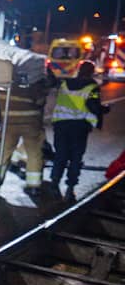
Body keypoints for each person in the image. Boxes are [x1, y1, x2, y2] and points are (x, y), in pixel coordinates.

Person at [0, 67, 49, 200]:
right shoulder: (31, 87)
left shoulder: (4, 88)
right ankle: (33, 186)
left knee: (3, 153)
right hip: (30, 125)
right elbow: (40, 101)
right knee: (34, 154)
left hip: (9, 125)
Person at [50, 60, 106, 202]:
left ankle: (54, 184)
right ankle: (70, 189)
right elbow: (94, 106)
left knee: (60, 156)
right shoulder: (92, 87)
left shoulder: (65, 84)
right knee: (75, 158)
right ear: (91, 72)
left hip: (61, 124)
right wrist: (105, 110)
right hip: (79, 127)